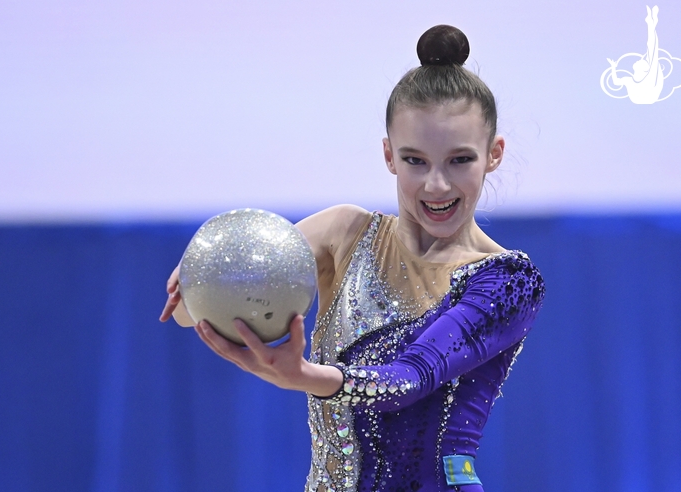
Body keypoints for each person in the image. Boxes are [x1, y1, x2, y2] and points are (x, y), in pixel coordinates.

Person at [159, 25, 545, 492]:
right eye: (415, 160)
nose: (437, 185)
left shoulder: (508, 281)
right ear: (389, 156)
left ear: (494, 155)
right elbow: (186, 314)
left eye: (460, 160)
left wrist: (303, 375)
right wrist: (205, 273)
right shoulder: (344, 234)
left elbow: (408, 380)